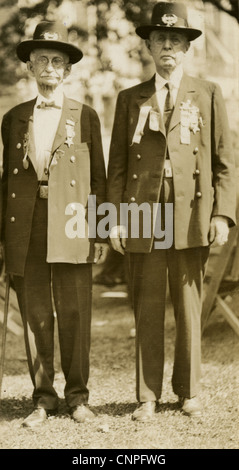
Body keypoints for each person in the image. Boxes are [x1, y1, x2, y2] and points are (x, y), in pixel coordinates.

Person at [107, 2, 236, 421]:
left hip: (191, 213)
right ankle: (147, 395)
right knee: (146, 303)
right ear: (148, 46)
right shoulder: (131, 99)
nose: (168, 46)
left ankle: (189, 391)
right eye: (160, 39)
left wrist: (221, 215)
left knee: (188, 301)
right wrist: (114, 220)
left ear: (186, 49)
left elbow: (224, 163)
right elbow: (117, 168)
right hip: (144, 213)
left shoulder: (209, 93)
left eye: (176, 40)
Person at [1, 21, 108, 428]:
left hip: (72, 223)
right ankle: (44, 398)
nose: (49, 67)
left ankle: (78, 398)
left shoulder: (86, 116)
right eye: (41, 59)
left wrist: (100, 229)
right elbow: (6, 180)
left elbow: (98, 177)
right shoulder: (13, 118)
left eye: (57, 61)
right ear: (29, 66)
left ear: (67, 71)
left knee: (75, 311)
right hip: (24, 225)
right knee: (35, 314)